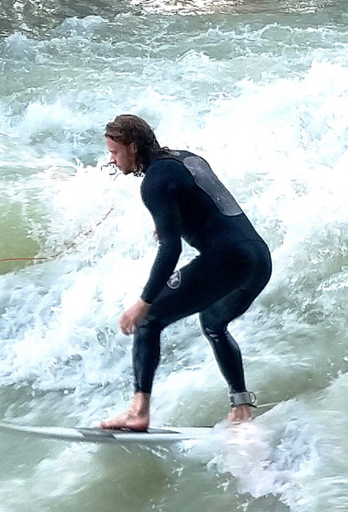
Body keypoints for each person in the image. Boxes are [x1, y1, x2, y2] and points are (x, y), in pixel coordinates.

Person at [98, 115, 272, 432]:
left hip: (227, 261)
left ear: (132, 147)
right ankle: (242, 406)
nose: (112, 160)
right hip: (259, 258)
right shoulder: (186, 159)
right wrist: (170, 222)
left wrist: (143, 302)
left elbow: (171, 249)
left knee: (149, 321)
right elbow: (208, 202)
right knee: (213, 323)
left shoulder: (153, 182)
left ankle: (138, 413)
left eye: (115, 152)